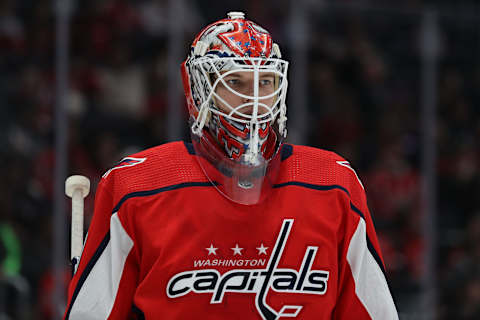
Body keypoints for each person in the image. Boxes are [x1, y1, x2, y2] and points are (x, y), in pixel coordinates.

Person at [64, 12, 398, 320]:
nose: (253, 100)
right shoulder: (136, 185)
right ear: (198, 89)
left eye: (265, 82)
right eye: (235, 82)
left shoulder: (334, 183)